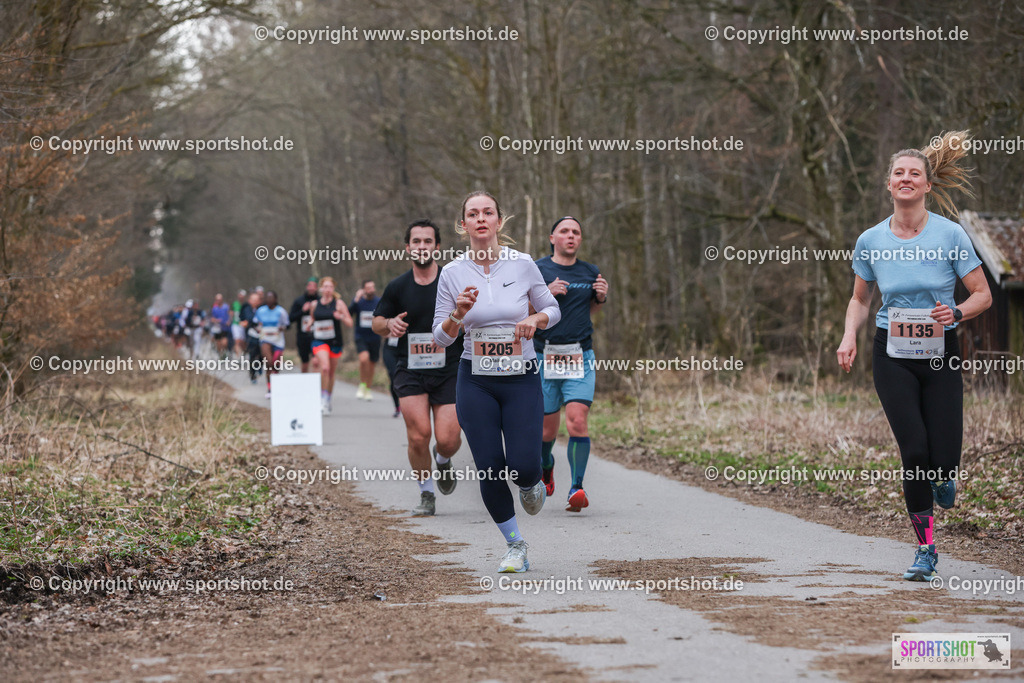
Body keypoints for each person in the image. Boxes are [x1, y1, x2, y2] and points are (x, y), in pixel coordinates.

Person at [837, 131, 991, 582]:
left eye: (914, 173)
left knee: (943, 456)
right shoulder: (870, 240)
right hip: (892, 353)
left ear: (927, 184)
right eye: (899, 173)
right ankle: (926, 549)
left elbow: (982, 294)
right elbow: (860, 299)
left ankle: (945, 477)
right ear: (889, 184)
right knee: (914, 450)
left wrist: (956, 312)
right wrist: (849, 336)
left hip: (941, 353)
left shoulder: (950, 234)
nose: (906, 179)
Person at [433, 191, 560, 573]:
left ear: (499, 221)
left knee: (523, 466)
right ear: (463, 225)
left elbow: (552, 308)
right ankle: (515, 545)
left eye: (488, 212)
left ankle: (531, 481)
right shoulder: (452, 272)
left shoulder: (522, 264)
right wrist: (457, 314)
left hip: (521, 377)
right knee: (488, 467)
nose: (481, 218)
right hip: (476, 380)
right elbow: (440, 338)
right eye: (473, 214)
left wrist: (534, 319)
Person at [374, 219, 465, 516]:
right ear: (407, 248)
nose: (422, 247)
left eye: (428, 241)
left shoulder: (451, 281)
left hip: (450, 369)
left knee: (448, 440)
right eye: (416, 241)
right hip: (410, 369)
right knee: (418, 435)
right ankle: (426, 494)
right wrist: (389, 323)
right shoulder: (397, 286)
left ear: (437, 247)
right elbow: (377, 322)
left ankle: (443, 459)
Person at [534, 217, 608, 512]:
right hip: (543, 355)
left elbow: (589, 310)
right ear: (552, 237)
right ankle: (546, 466)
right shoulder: (538, 270)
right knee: (545, 432)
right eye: (564, 231)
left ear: (580, 239)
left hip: (580, 355)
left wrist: (600, 298)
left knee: (577, 420)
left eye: (576, 232)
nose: (571, 236)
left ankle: (577, 487)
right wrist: (546, 293)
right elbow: (523, 310)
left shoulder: (590, 271)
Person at [310, 276, 354, 414]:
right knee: (325, 367)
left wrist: (341, 317)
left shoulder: (339, 303)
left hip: (335, 342)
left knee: (331, 372)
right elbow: (312, 318)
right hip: (319, 340)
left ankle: (328, 398)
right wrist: (309, 325)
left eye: (330, 287)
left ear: (333, 289)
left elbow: (350, 323)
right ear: (321, 288)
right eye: (325, 287)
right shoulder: (314, 304)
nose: (328, 289)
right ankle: (322, 399)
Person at [254, 291, 290, 399]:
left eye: (271, 298)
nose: (269, 300)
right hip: (265, 338)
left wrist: (282, 328)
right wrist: (257, 328)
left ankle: (276, 384)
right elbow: (254, 323)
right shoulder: (261, 311)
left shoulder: (281, 311)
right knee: (269, 362)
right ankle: (270, 388)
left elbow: (287, 325)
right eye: (267, 298)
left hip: (278, 339)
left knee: (276, 364)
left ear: (275, 299)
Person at [350, 280, 382, 400]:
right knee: (364, 359)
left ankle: (368, 388)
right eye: (368, 288)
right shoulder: (359, 302)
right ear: (363, 289)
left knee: (372, 364)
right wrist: (356, 299)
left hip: (375, 337)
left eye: (372, 287)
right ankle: (362, 384)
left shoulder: (378, 302)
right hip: (361, 336)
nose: (371, 290)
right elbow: (349, 312)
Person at [290, 278, 320, 373]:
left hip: (317, 336)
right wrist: (302, 311)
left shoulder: (320, 301)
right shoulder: (299, 301)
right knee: (305, 362)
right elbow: (290, 318)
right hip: (302, 336)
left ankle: (317, 381)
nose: (311, 288)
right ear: (306, 287)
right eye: (309, 285)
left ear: (317, 288)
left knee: (316, 361)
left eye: (314, 286)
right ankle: (305, 379)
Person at [240, 291, 263, 383]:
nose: (255, 302)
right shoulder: (247, 308)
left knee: (262, 353)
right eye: (253, 300)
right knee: (252, 355)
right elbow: (248, 318)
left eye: (256, 300)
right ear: (249, 300)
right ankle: (252, 375)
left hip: (262, 335)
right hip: (251, 335)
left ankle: (259, 366)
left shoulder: (263, 308)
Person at [209, 293, 232, 359]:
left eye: (220, 299)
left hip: (225, 328)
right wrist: (216, 320)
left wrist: (229, 320)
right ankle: (221, 354)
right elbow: (212, 318)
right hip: (218, 328)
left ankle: (225, 352)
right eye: (217, 300)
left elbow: (230, 314)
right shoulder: (214, 309)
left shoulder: (226, 307)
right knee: (218, 343)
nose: (218, 301)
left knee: (224, 342)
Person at [231, 289, 247, 358]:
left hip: (243, 325)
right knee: (237, 341)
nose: (241, 297)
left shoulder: (246, 304)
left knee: (242, 342)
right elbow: (231, 312)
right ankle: (238, 357)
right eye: (240, 295)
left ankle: (244, 354)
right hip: (235, 324)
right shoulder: (235, 304)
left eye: (242, 295)